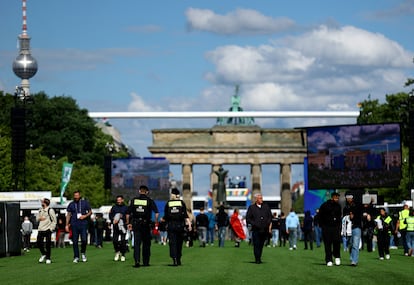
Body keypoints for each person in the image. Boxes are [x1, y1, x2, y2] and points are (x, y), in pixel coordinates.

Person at [126, 185, 159, 268]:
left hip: (136, 224)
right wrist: (155, 222)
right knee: (146, 244)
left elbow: (127, 214)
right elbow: (157, 213)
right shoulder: (150, 201)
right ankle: (145, 261)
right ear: (147, 192)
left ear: (139, 191)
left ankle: (137, 260)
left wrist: (128, 223)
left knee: (137, 243)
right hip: (146, 224)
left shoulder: (134, 200)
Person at [163, 188, 192, 266]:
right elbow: (185, 215)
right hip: (180, 226)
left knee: (172, 243)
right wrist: (189, 224)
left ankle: (174, 259)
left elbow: (165, 216)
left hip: (171, 226)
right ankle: (178, 258)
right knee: (179, 243)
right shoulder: (181, 203)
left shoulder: (168, 203)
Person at [65, 190, 92, 263]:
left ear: (79, 196)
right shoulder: (71, 204)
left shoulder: (84, 203)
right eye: (75, 196)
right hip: (74, 224)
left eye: (77, 195)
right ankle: (76, 256)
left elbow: (90, 211)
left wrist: (85, 216)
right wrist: (67, 224)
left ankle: (83, 253)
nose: (76, 197)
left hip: (83, 224)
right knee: (75, 241)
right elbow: (68, 214)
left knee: (84, 240)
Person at [246, 193, 272, 264]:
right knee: (256, 244)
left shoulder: (266, 207)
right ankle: (257, 258)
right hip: (256, 229)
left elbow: (270, 216)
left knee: (261, 244)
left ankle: (259, 257)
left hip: (264, 229)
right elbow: (248, 218)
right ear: (256, 199)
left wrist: (267, 223)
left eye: (262, 198)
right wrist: (254, 223)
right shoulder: (251, 208)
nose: (261, 200)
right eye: (260, 198)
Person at [319, 192, 342, 267]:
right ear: (332, 197)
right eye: (336, 197)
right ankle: (328, 260)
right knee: (327, 244)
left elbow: (339, 217)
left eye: (338, 198)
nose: (337, 199)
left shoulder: (338, 206)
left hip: (335, 227)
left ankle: (337, 256)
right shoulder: (325, 205)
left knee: (337, 242)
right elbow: (320, 216)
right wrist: (322, 226)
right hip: (326, 227)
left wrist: (339, 226)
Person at [343, 193, 364, 266]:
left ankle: (354, 261)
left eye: (350, 197)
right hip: (348, 228)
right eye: (347, 197)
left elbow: (360, 216)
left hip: (356, 227)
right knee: (350, 244)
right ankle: (352, 257)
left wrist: (353, 216)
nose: (349, 199)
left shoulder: (358, 206)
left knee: (355, 244)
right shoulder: (346, 207)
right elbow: (344, 218)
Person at [36, 198, 57, 264]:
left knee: (48, 244)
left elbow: (54, 220)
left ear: (45, 203)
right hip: (40, 229)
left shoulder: (50, 210)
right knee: (38, 243)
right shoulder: (40, 210)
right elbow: (37, 219)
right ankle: (44, 254)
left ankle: (48, 258)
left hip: (48, 229)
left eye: (42, 202)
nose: (41, 203)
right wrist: (40, 218)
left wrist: (51, 229)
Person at [109, 195, 128, 262]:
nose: (118, 201)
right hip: (116, 226)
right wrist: (113, 220)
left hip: (123, 227)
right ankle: (117, 252)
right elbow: (110, 215)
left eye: (120, 200)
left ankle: (123, 254)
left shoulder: (126, 208)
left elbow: (128, 216)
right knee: (115, 241)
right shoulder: (114, 207)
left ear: (122, 200)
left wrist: (122, 217)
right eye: (117, 200)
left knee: (123, 241)